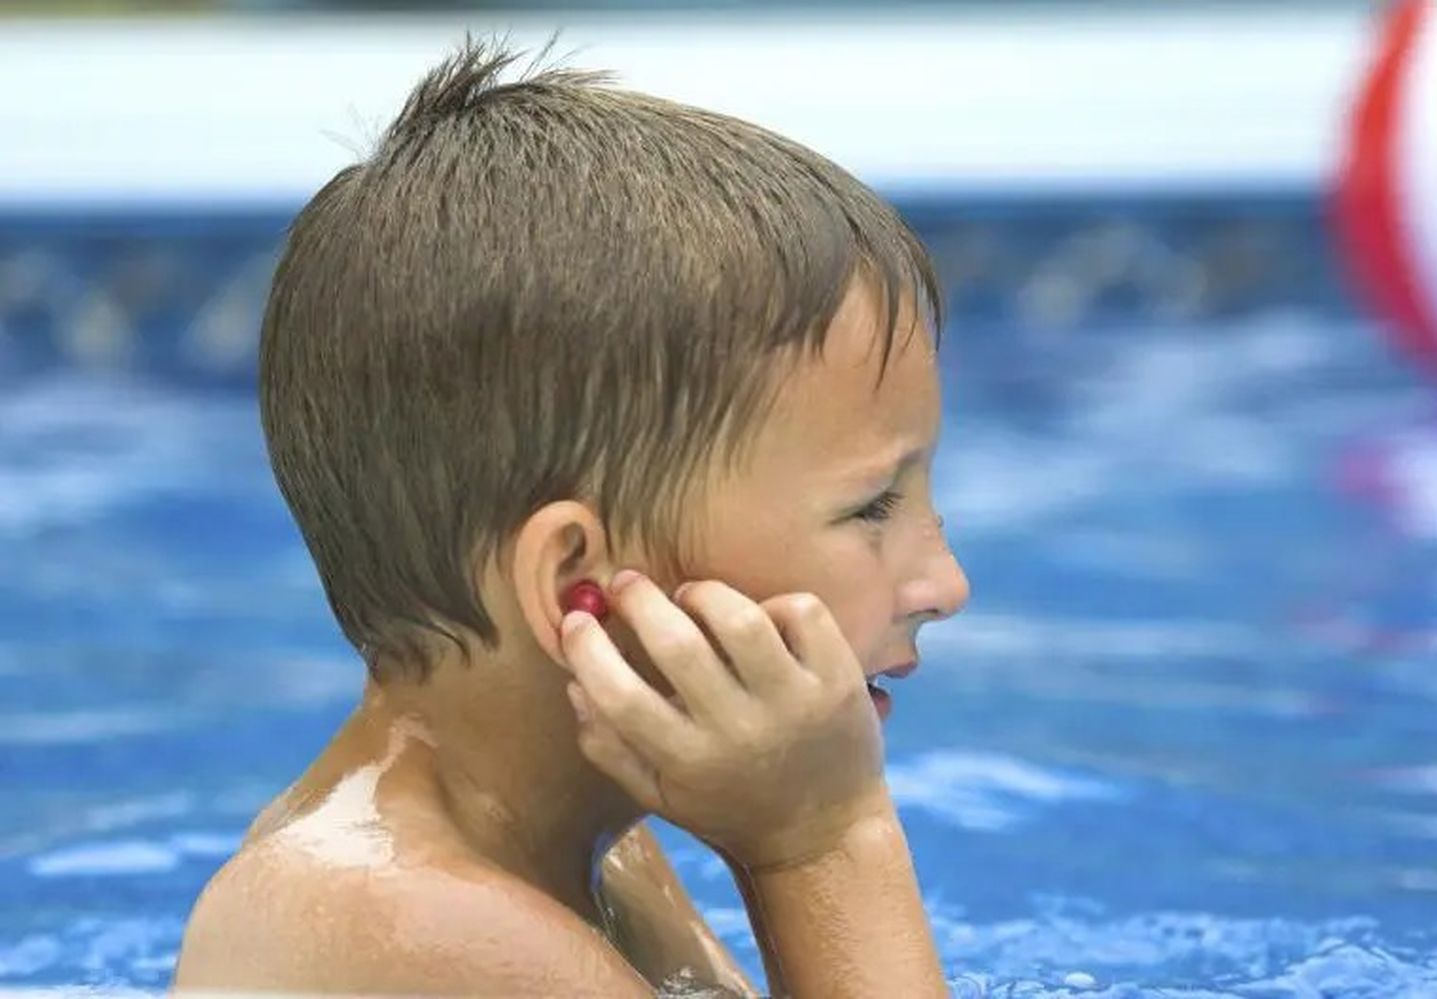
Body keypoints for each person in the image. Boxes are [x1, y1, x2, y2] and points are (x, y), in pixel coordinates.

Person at [173, 37, 970, 997]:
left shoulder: (590, 849)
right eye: (871, 505)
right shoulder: (407, 922)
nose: (944, 584)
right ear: (574, 583)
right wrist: (822, 845)